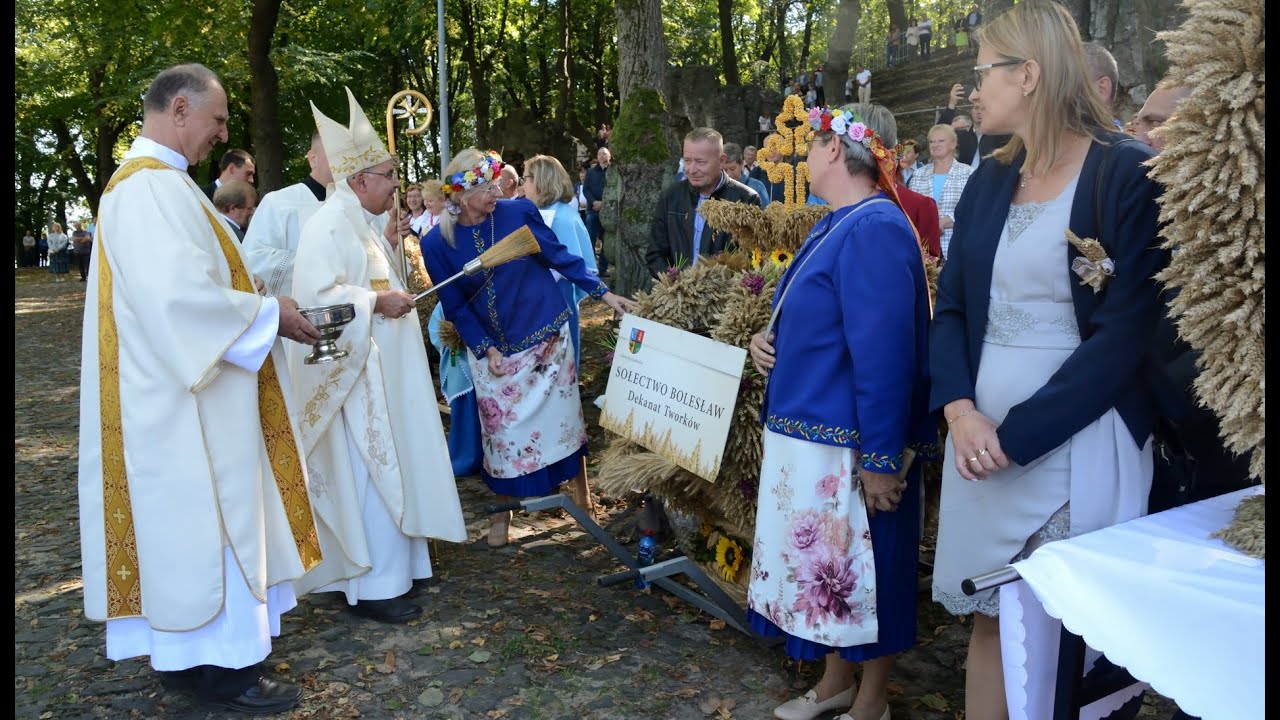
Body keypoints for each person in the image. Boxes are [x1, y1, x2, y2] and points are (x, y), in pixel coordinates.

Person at [929, 4, 1171, 718]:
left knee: (1064, 634)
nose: (973, 90)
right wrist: (961, 413)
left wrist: (1017, 436)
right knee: (989, 617)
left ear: (1028, 74)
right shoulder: (987, 180)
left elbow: (1124, 336)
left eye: (984, 72)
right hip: (976, 445)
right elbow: (953, 310)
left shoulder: (1125, 174)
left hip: (1077, 443)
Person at [78, 62, 323, 715]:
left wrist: (256, 297)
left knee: (188, 536)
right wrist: (269, 316)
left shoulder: (162, 186)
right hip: (188, 406)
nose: (223, 134)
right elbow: (179, 301)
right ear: (179, 108)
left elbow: (200, 282)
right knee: (211, 529)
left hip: (179, 398)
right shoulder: (149, 189)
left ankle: (192, 664)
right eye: (216, 120)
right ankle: (228, 673)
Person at [747, 103, 936, 720]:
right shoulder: (836, 223)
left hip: (852, 443)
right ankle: (834, 687)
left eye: (812, 145)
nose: (804, 154)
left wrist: (882, 458)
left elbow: (884, 354)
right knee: (833, 575)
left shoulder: (874, 226)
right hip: (813, 438)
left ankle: (871, 703)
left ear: (836, 150)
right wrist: (766, 341)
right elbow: (819, 320)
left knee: (870, 567)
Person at [288, 87, 467, 624]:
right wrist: (374, 303)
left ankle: (394, 574)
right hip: (355, 382)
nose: (396, 185)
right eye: (389, 176)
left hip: (384, 375)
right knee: (369, 479)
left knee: (389, 473)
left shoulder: (361, 224)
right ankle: (373, 587)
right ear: (360, 179)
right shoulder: (326, 225)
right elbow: (318, 306)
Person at [419, 148, 635, 547]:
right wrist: (485, 349)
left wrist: (604, 294)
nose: (496, 192)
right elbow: (455, 306)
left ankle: (582, 498)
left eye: (495, 182)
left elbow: (560, 258)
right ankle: (505, 509)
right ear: (462, 196)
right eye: (485, 187)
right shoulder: (435, 244)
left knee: (566, 422)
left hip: (546, 336)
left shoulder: (518, 214)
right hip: (493, 351)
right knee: (501, 433)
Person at [647, 127, 762, 277]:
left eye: (700, 162)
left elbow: (751, 259)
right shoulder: (670, 196)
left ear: (721, 161)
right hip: (675, 294)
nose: (691, 169)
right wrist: (674, 282)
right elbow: (655, 253)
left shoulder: (746, 199)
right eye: (687, 161)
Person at [523, 153, 599, 370]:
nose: (523, 184)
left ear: (540, 180)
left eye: (525, 178)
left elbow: (575, 265)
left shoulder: (564, 217)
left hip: (557, 299)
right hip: (532, 301)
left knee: (558, 364)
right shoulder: (533, 212)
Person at [243, 130, 333, 297]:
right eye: (336, 154)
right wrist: (324, 264)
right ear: (313, 159)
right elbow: (254, 261)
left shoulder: (356, 205)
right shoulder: (278, 203)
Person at [427, 302, 484, 478]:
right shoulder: (444, 303)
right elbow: (436, 330)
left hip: (482, 363)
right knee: (465, 416)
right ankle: (465, 458)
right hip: (457, 366)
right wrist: (453, 338)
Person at [907, 124, 973, 260]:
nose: (935, 145)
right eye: (932, 141)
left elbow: (974, 209)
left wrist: (943, 222)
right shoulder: (919, 174)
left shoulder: (969, 173)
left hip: (957, 249)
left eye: (941, 141)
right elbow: (910, 211)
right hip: (924, 251)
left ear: (953, 144)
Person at [584, 147, 610, 274]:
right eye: (599, 154)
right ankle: (590, 268)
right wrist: (593, 202)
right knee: (590, 239)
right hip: (593, 211)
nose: (601, 156)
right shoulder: (590, 172)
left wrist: (605, 204)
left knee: (607, 241)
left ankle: (603, 268)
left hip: (609, 212)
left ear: (609, 156)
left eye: (604, 154)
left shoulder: (614, 172)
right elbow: (586, 190)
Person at [723, 143, 772, 209]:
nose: (728, 174)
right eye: (724, 170)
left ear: (741, 164)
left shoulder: (757, 187)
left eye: (732, 169)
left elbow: (766, 214)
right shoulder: (716, 187)